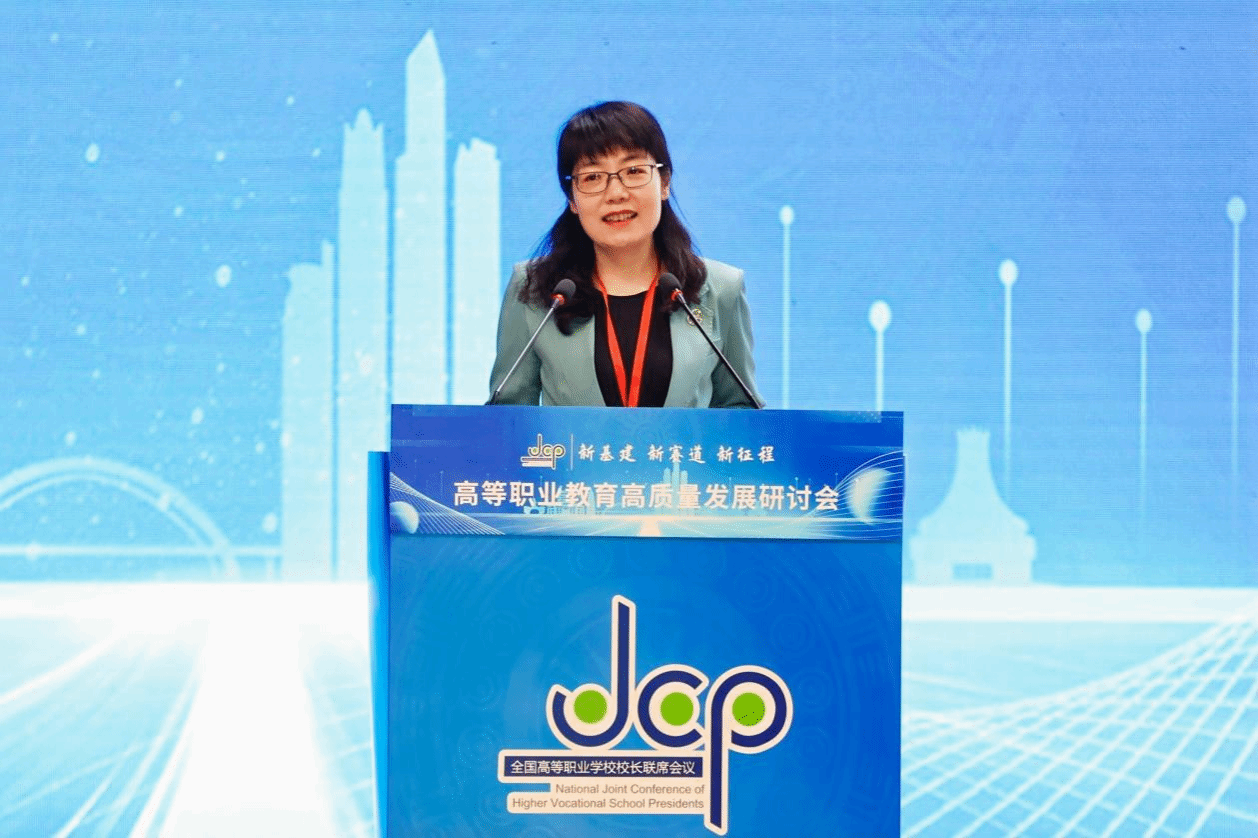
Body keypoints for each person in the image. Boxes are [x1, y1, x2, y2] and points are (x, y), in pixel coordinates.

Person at [488, 101, 761, 408]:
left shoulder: (721, 288)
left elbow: (741, 412)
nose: (616, 193)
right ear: (572, 199)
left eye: (633, 171)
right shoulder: (536, 290)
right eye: (592, 177)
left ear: (664, 183)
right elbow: (508, 415)